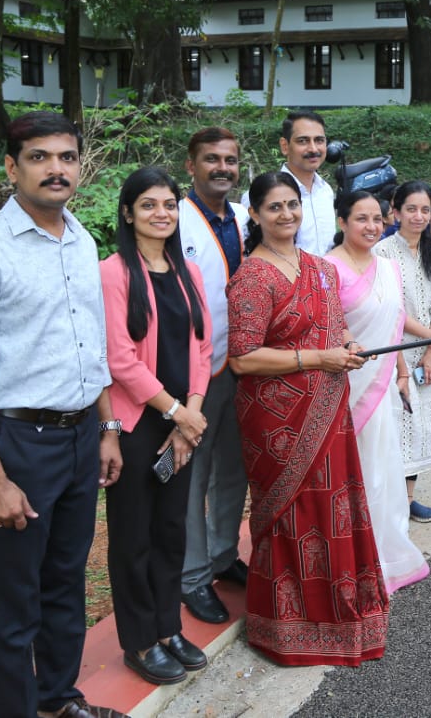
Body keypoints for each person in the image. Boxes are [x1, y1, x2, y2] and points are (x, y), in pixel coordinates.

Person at [0, 110, 127, 718]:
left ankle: (58, 698)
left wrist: (106, 429)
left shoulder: (81, 238)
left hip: (78, 439)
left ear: (79, 166)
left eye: (66, 157)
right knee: (15, 596)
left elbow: (91, 348)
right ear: (11, 167)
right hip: (18, 440)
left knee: (66, 581)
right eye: (39, 157)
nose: (55, 169)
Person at [227, 171, 387, 666]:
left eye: (292, 204)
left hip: (328, 408)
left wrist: (348, 349)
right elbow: (242, 358)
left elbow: (335, 332)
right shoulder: (251, 277)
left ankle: (344, 612)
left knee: (334, 505)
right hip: (278, 419)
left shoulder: (319, 267)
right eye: (273, 207)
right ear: (254, 215)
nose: (286, 215)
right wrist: (318, 359)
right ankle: (288, 625)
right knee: (294, 513)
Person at [100, 167, 213, 686]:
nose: (161, 213)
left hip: (179, 421)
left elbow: (202, 347)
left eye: (169, 204)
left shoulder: (187, 272)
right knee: (133, 535)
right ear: (129, 213)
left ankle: (168, 627)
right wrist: (176, 412)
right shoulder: (113, 273)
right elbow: (119, 359)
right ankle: (139, 639)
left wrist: (190, 412)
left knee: (171, 530)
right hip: (136, 424)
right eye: (149, 205)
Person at [327, 191, 430, 591]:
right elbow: (331, 325)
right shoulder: (327, 268)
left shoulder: (389, 267)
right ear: (342, 222)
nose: (371, 226)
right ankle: (354, 559)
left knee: (385, 469)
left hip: (384, 383)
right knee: (357, 472)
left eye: (376, 218)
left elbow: (396, 319)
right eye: (360, 219)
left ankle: (386, 555)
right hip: (346, 386)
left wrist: (402, 369)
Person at [178, 127, 251, 626]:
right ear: (191, 165)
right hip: (190, 373)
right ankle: (193, 576)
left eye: (229, 160)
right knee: (193, 476)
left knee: (233, 470)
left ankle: (224, 555)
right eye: (211, 160)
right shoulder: (175, 219)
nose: (221, 167)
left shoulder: (244, 218)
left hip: (238, 364)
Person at [374, 182, 431, 524]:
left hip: (429, 356)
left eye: (425, 210)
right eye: (411, 209)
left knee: (420, 428)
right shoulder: (382, 254)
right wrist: (421, 348)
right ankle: (390, 504)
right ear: (396, 211)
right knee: (398, 426)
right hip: (395, 353)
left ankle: (408, 500)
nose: (418, 217)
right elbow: (393, 314)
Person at [250, 111, 336, 255]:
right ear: (285, 146)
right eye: (303, 141)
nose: (313, 149)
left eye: (319, 140)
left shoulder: (325, 191)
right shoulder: (265, 194)